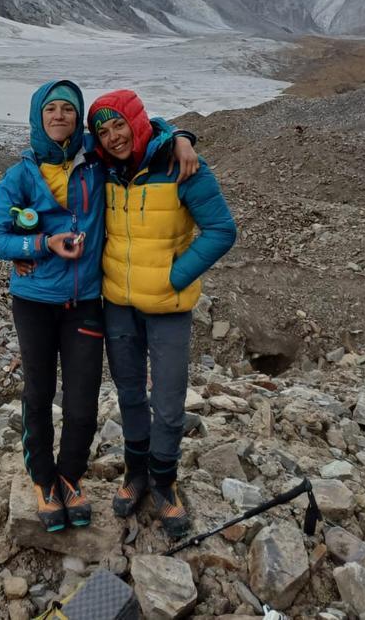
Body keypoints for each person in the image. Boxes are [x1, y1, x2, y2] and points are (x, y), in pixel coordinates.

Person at [0, 80, 198, 533]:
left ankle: (70, 478)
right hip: (36, 302)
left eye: (67, 109)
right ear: (38, 117)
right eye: (51, 109)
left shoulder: (94, 161)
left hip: (84, 303)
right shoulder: (20, 175)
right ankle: (44, 481)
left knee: (82, 403)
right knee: (39, 396)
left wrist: (181, 135)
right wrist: (42, 243)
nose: (59, 116)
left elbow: (135, 133)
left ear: (76, 118)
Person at [87, 88, 237, 539]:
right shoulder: (104, 169)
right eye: (104, 129)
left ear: (137, 121)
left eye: (120, 125)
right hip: (117, 302)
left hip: (168, 307)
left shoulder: (182, 165)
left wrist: (176, 275)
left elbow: (221, 229)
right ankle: (136, 473)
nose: (113, 137)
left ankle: (165, 482)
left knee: (169, 401)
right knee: (130, 393)